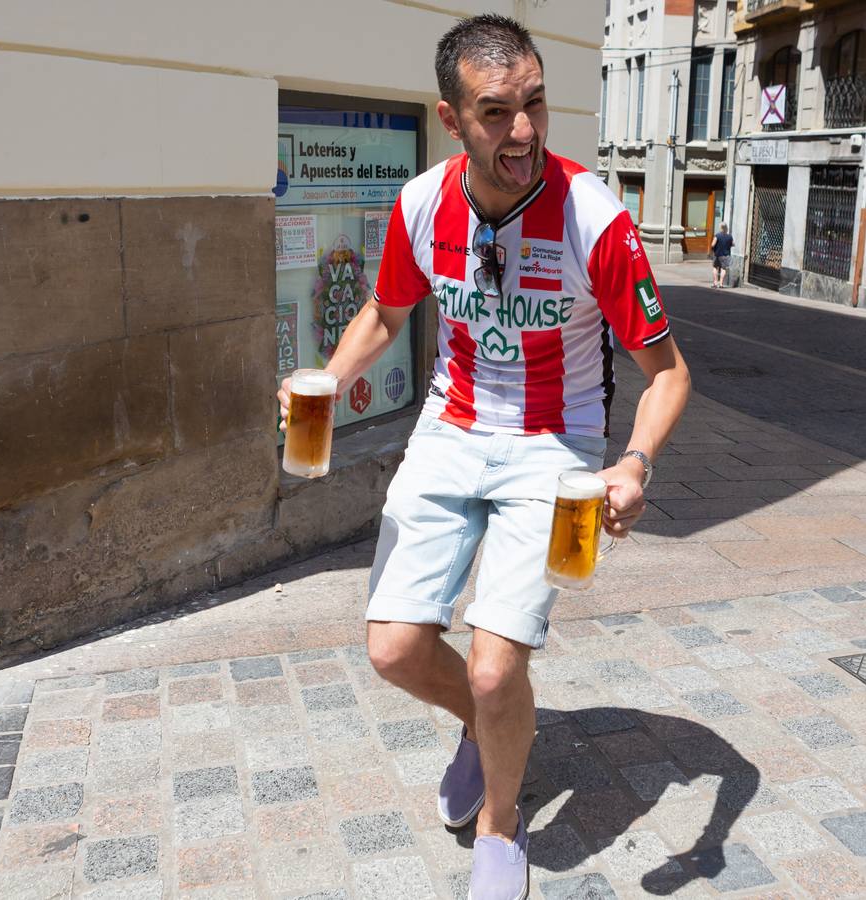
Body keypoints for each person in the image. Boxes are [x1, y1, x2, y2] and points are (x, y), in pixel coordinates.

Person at [277, 15, 691, 899]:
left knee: (500, 663)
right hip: (449, 429)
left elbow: (667, 372)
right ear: (452, 118)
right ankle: (488, 725)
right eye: (498, 112)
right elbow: (388, 314)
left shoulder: (596, 219)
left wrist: (635, 463)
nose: (526, 132)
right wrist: (326, 376)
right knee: (393, 648)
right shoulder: (422, 203)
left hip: (556, 447)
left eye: (536, 104)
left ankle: (501, 828)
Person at [710, 223, 734, 288]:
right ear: (726, 228)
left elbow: (712, 244)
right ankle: (721, 284)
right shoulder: (729, 236)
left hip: (717, 254)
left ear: (720, 228)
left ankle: (715, 283)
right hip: (726, 255)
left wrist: (713, 249)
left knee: (715, 267)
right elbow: (733, 244)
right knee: (723, 269)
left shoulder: (717, 235)